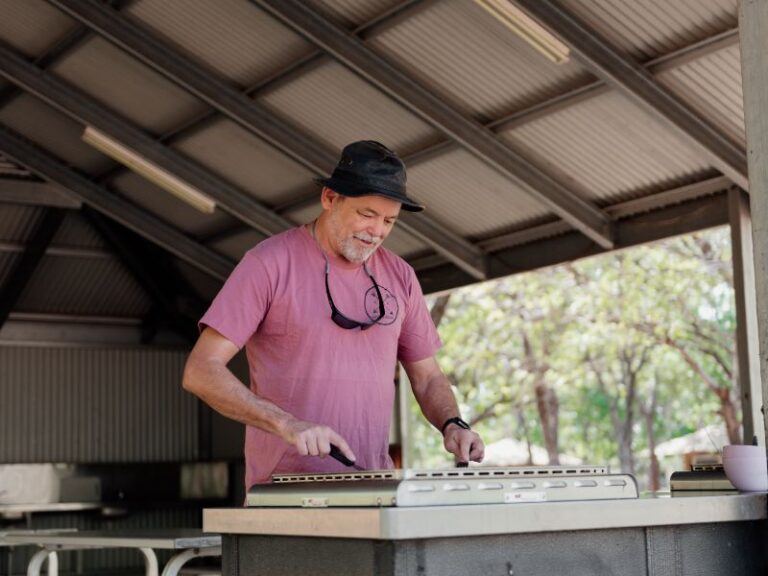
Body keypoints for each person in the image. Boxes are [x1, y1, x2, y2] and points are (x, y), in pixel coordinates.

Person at [183, 140, 484, 489]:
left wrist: (453, 424)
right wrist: (286, 424)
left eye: (389, 221)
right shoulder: (269, 263)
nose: (378, 232)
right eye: (367, 214)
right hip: (285, 493)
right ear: (330, 198)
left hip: (374, 490)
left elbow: (428, 376)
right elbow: (201, 371)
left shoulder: (400, 276)